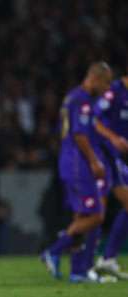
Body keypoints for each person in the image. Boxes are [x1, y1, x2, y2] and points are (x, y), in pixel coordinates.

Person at [41, 62, 113, 282]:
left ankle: (78, 271)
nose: (107, 89)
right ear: (95, 78)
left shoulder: (72, 97)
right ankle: (53, 250)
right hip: (78, 164)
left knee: (82, 216)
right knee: (96, 215)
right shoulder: (82, 99)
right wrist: (94, 162)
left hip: (70, 162)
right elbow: (79, 135)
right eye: (106, 83)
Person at [91, 71, 128, 279]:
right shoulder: (113, 91)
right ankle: (90, 263)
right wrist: (113, 138)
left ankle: (107, 259)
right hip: (102, 155)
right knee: (95, 211)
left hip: (116, 158)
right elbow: (93, 120)